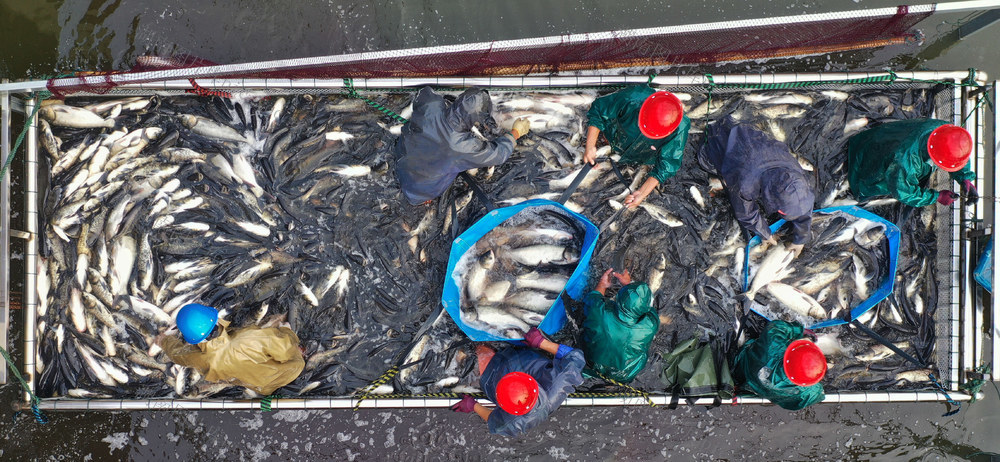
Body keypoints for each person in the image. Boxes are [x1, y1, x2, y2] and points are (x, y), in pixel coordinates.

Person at [699, 115, 815, 256]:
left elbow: (802, 204)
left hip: (751, 134)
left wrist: (801, 238)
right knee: (710, 162)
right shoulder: (746, 184)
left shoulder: (795, 171)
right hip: (721, 142)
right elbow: (745, 213)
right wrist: (765, 233)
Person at [395, 86, 531, 205]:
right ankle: (422, 200)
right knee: (422, 190)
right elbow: (499, 154)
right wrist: (516, 133)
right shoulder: (464, 148)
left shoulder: (431, 105)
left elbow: (424, 94)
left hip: (402, 161)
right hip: (420, 189)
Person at [450, 327, 585, 436]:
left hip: (493, 374)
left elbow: (493, 421)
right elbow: (575, 357)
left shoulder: (514, 422)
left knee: (477, 344)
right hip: (526, 354)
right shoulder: (558, 383)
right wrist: (541, 343)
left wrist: (473, 405)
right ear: (530, 382)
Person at [157, 303, 305, 395]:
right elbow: (287, 347)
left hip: (263, 388)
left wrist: (164, 341)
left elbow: (178, 355)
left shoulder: (200, 358)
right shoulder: (250, 336)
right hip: (292, 371)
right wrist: (287, 331)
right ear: (215, 320)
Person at [583, 86, 690, 208]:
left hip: (645, 155)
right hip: (614, 134)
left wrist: (642, 193)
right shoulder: (633, 97)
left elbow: (667, 166)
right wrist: (590, 145)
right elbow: (599, 109)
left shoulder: (680, 128)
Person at [847, 119, 978, 207]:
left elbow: (956, 153)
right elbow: (904, 192)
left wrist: (965, 179)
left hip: (882, 137)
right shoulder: (905, 162)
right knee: (869, 180)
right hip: (863, 166)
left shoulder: (943, 131)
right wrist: (936, 197)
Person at [580, 267, 659, 383]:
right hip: (627, 374)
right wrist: (629, 286)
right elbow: (648, 309)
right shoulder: (651, 324)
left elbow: (592, 298)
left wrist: (603, 284)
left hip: (593, 363)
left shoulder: (599, 311)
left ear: (618, 297)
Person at [732, 320, 826, 410]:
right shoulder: (807, 393)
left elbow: (775, 326)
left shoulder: (772, 346)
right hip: (754, 391)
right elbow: (819, 395)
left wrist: (799, 330)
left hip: (740, 368)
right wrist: (816, 374)